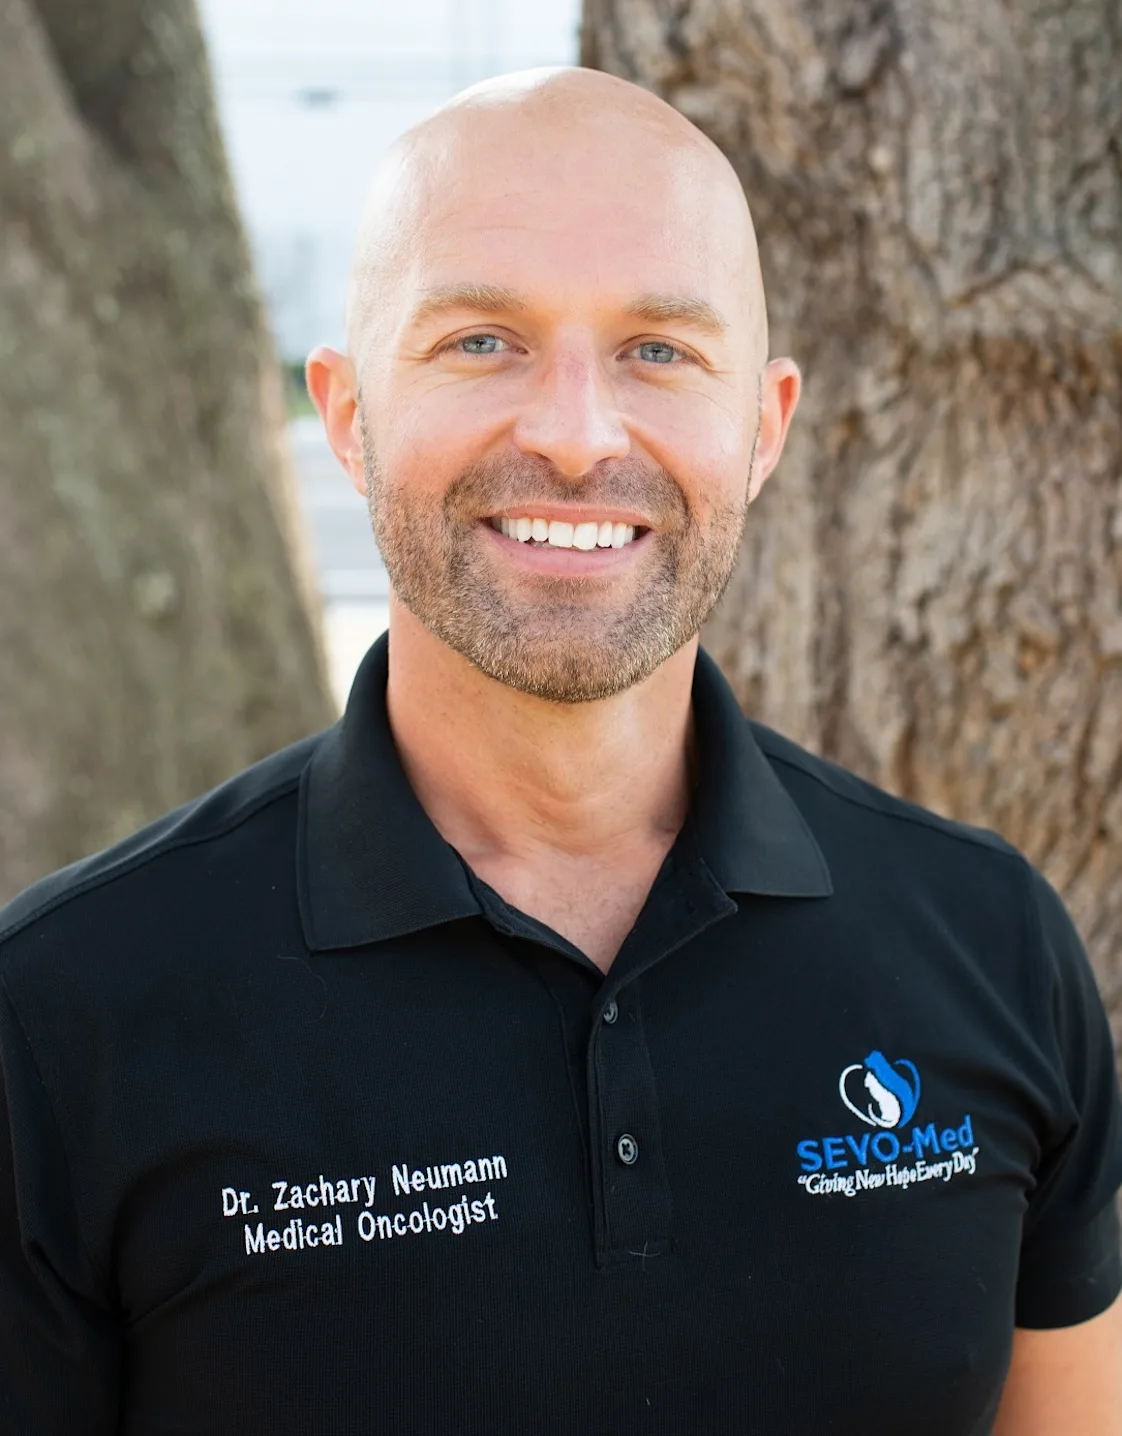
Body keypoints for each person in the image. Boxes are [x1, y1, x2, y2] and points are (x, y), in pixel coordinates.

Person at [1, 66, 1120, 1436]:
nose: (577, 436)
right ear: (348, 416)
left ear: (762, 427)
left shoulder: (990, 940)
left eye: (659, 349)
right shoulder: (60, 1015)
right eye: (482, 341)